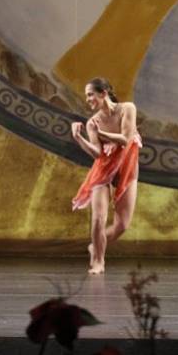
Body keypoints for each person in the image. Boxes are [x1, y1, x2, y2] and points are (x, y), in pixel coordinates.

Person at [69, 77, 140, 275]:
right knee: (98, 218)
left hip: (127, 167)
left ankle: (97, 246)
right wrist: (78, 138)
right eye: (86, 96)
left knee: (122, 225)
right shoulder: (93, 122)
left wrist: (102, 133)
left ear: (103, 93)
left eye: (91, 94)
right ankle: (98, 262)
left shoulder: (127, 109)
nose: (88, 99)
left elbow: (126, 139)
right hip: (104, 170)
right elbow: (97, 153)